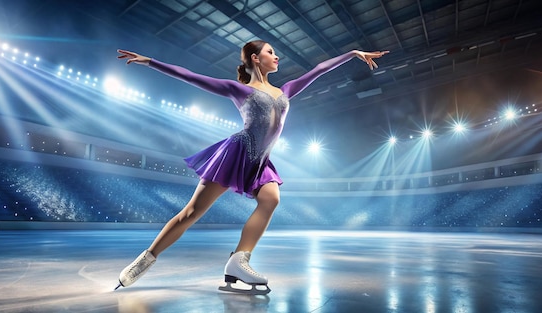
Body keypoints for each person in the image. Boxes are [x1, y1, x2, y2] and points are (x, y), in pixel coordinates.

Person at [114, 40, 388, 294]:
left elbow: (318, 69)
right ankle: (146, 258)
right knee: (191, 213)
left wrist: (353, 54)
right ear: (256, 59)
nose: (277, 56)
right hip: (236, 154)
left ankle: (238, 260)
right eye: (271, 52)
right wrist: (150, 61)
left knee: (271, 199)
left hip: (261, 161)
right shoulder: (239, 90)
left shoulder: (286, 90)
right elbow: (190, 76)